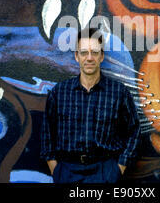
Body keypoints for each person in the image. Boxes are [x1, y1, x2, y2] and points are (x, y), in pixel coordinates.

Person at [40, 27, 141, 183]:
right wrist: (56, 170)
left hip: (105, 171)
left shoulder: (118, 92)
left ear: (101, 56)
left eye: (94, 52)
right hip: (67, 172)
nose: (89, 58)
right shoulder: (59, 93)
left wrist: (118, 168)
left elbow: (134, 131)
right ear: (76, 56)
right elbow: (47, 134)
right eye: (83, 52)